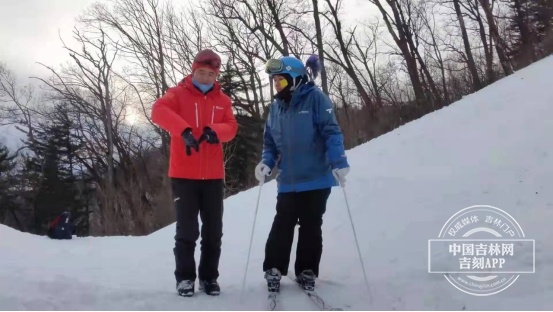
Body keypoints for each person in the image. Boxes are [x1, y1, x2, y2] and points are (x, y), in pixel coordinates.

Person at [255, 55, 350, 293]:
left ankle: (306, 270)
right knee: (282, 223)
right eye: (274, 81)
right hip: (288, 180)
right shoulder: (276, 108)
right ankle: (274, 268)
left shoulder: (315, 99)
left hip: (317, 177)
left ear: (295, 79)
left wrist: (339, 161)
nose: (276, 85)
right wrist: (266, 163)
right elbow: (270, 143)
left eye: (281, 80)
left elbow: (331, 131)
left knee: (310, 224)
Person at [151, 49, 238, 297]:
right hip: (183, 175)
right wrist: (184, 130)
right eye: (202, 72)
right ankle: (185, 278)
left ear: (216, 75)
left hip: (213, 176)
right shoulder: (177, 94)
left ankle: (209, 278)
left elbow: (232, 127)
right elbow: (158, 111)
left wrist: (215, 131)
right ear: (193, 70)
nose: (206, 77)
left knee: (213, 231)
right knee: (187, 230)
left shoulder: (223, 100)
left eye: (211, 73)